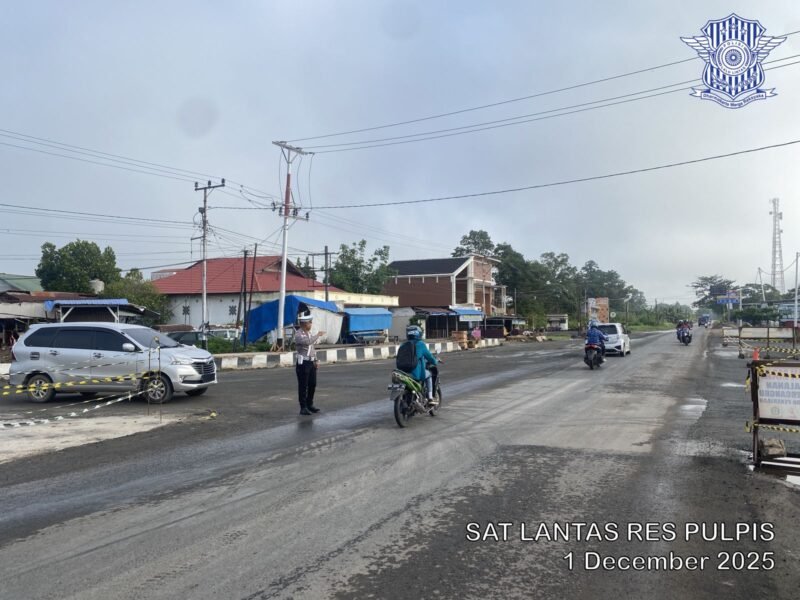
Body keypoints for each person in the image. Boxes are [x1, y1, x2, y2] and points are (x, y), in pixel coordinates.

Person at [294, 312, 326, 416]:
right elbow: (307, 342)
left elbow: (312, 348)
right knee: (303, 386)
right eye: (309, 323)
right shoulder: (299, 334)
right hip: (303, 363)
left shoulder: (309, 333)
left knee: (312, 384)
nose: (311, 324)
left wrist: (316, 360)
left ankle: (309, 404)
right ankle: (303, 407)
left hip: (311, 362)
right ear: (304, 324)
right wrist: (318, 335)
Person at [402, 325, 438, 402]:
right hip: (416, 373)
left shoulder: (403, 344)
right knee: (429, 375)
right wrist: (436, 361)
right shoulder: (420, 344)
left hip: (403, 372)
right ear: (418, 334)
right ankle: (430, 397)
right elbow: (430, 357)